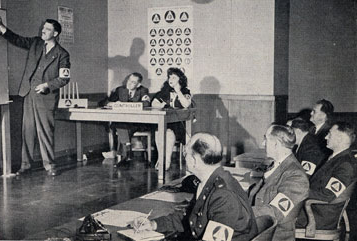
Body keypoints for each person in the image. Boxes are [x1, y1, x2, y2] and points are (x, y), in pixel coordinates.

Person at [130, 133, 258, 241]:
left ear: (195, 160)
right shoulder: (212, 180)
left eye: (185, 153)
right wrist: (154, 224)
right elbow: (190, 216)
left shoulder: (222, 196)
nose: (184, 157)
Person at [0, 17, 70, 176]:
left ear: (55, 33)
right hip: (28, 93)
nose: (43, 30)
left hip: (46, 97)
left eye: (47, 29)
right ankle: (26, 165)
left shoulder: (62, 54)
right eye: (43, 28)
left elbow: (64, 78)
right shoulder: (36, 43)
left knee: (45, 132)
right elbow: (18, 40)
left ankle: (49, 165)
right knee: (27, 130)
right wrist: (2, 27)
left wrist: (47, 85)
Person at [248, 124, 309, 241]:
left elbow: (275, 212)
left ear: (276, 144)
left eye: (266, 139)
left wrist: (240, 212)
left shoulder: (296, 175)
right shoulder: (277, 165)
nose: (263, 144)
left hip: (273, 235)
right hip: (258, 227)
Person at [296, 121, 357, 229]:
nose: (325, 137)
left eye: (330, 134)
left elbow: (327, 195)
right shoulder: (336, 158)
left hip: (317, 216)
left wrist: (298, 190)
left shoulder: (346, 164)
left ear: (340, 138)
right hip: (312, 209)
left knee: (277, 220)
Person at [100, 72, 150, 166]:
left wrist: (126, 105)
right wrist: (112, 104)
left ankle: (124, 154)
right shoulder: (120, 90)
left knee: (121, 126)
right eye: (129, 80)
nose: (129, 83)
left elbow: (146, 103)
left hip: (137, 122)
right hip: (122, 121)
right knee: (121, 125)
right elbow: (105, 102)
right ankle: (127, 153)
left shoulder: (143, 90)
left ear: (138, 84)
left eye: (133, 82)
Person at [152, 67, 192, 171]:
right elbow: (154, 103)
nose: (171, 79)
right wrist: (160, 105)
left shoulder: (185, 91)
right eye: (169, 77)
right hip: (165, 121)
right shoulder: (165, 91)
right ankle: (161, 159)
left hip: (179, 123)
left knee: (168, 132)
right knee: (158, 130)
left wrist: (178, 91)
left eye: (174, 77)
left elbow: (186, 104)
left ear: (180, 79)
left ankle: (167, 161)